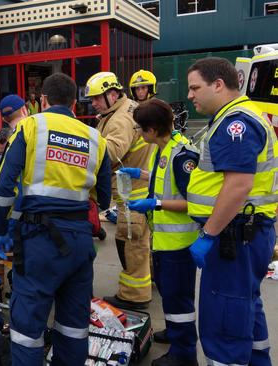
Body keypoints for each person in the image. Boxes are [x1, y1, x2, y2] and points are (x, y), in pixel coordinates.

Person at [0, 73, 111, 366]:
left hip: (39, 242)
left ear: (42, 100)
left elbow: (5, 186)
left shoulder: (31, 126)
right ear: (73, 102)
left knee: (27, 330)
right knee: (73, 326)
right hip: (79, 243)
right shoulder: (96, 138)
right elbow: (104, 199)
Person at [186, 57, 276, 366]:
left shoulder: (234, 123)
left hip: (233, 237)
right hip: (246, 234)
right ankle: (257, 359)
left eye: (195, 87)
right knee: (245, 306)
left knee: (224, 318)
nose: (190, 95)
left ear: (218, 85)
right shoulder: (244, 115)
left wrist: (209, 234)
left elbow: (239, 185)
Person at [119, 99, 200, 366]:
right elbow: (159, 177)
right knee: (168, 293)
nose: (139, 135)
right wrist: (139, 174)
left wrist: (156, 203)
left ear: (152, 130)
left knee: (179, 300)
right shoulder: (163, 148)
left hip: (179, 243)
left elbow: (196, 201)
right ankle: (175, 333)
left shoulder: (182, 155)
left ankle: (184, 354)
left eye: (141, 130)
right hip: (164, 240)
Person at [86, 71, 155, 310]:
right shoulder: (123, 109)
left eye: (96, 98)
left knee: (131, 243)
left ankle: (134, 295)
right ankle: (148, 281)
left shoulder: (119, 120)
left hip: (133, 194)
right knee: (141, 243)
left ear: (112, 94)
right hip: (140, 189)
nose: (93, 103)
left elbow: (112, 152)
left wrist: (86, 144)